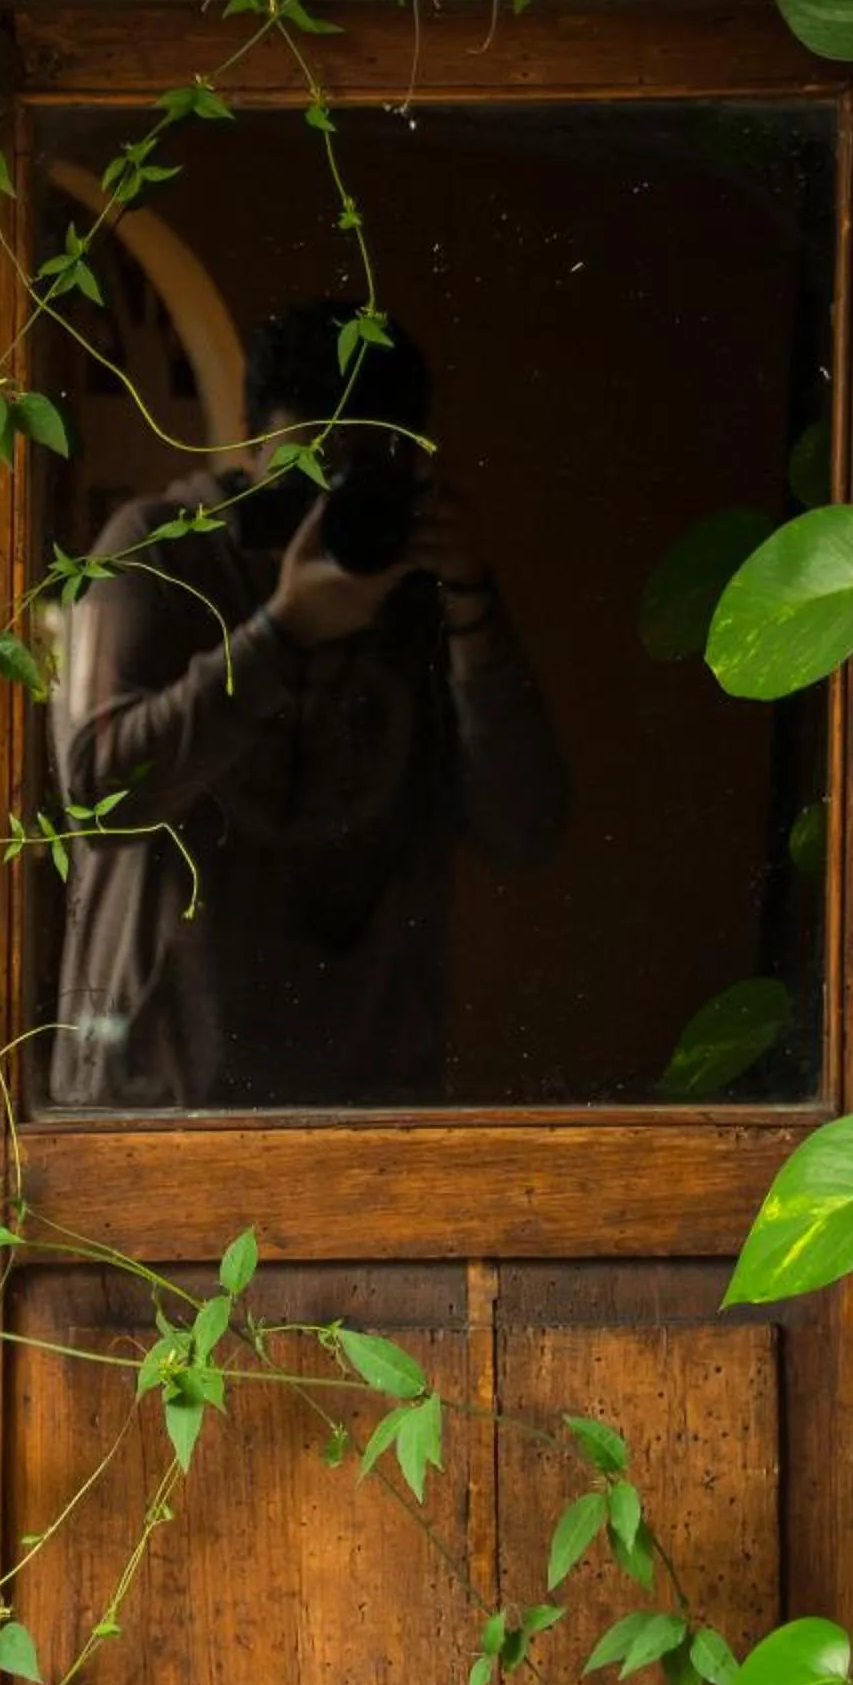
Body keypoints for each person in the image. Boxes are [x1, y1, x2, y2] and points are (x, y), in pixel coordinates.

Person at [47, 304, 568, 1107]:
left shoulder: (422, 583)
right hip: (159, 1103)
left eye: (358, 475)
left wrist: (469, 598)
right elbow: (96, 798)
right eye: (305, 474)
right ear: (249, 446)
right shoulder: (163, 551)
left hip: (364, 1105)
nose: (329, 506)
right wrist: (280, 633)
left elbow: (525, 828)